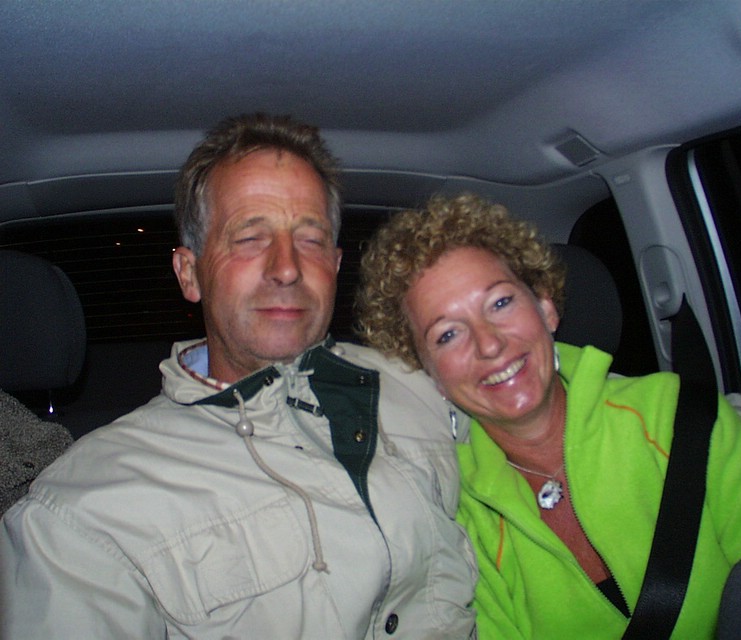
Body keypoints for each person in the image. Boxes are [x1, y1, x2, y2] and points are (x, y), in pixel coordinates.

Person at [0, 114, 477, 639]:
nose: (287, 267)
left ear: (337, 265)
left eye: (310, 239)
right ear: (190, 274)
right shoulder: (84, 511)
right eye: (250, 238)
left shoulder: (427, 385)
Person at [355, 193, 741, 639]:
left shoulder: (685, 420)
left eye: (501, 303)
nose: (489, 344)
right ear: (429, 375)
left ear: (545, 307)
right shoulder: (455, 514)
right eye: (448, 334)